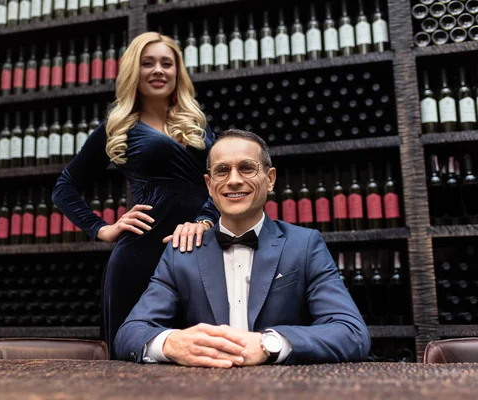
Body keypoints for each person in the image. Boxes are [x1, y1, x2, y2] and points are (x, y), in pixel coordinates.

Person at [114, 129, 371, 367]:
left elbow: (351, 332)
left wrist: (269, 344)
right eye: (222, 170)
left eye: (247, 168)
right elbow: (130, 333)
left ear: (270, 179)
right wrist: (171, 343)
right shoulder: (181, 251)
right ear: (209, 185)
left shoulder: (304, 245)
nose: (234, 180)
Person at [52, 32, 219, 359]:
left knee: (199, 358)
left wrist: (206, 219)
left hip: (197, 251)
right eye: (148, 63)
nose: (158, 70)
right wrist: (102, 229)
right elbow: (65, 187)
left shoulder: (196, 125)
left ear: (177, 72)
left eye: (166, 63)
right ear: (134, 71)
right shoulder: (118, 127)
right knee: (133, 362)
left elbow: (217, 182)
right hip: (140, 256)